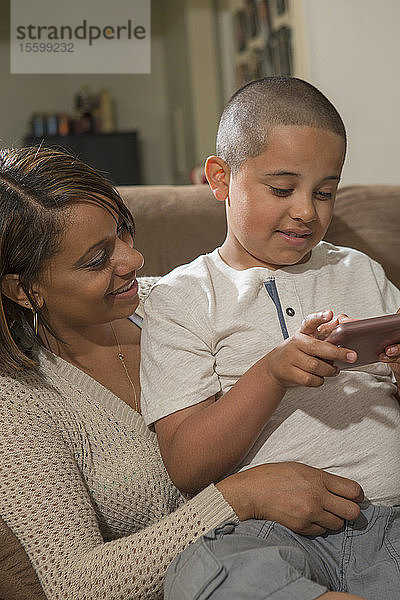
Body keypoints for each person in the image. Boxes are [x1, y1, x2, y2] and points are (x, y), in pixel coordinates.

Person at [0, 146, 364, 600]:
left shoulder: (184, 300)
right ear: (23, 288)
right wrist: (238, 498)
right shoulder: (18, 404)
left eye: (123, 232)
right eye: (96, 260)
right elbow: (73, 583)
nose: (133, 259)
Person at [139, 77, 400, 599]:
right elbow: (187, 464)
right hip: (275, 535)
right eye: (282, 189)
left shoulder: (362, 271)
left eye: (324, 192)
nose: (307, 211)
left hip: (392, 521)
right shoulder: (183, 298)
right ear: (220, 179)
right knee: (201, 571)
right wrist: (271, 373)